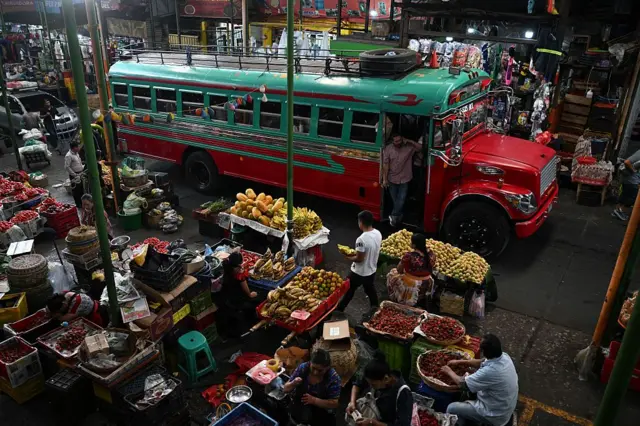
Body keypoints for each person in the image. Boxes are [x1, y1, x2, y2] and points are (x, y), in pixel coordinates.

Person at [442, 334, 518, 426]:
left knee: (451, 408)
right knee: (472, 384)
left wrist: (449, 371)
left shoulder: (490, 371)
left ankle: (460, 423)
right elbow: (481, 362)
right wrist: (459, 362)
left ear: (484, 351)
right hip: (503, 406)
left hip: (494, 414)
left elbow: (463, 384)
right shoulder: (504, 357)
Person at [347, 352, 413, 426]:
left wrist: (373, 423)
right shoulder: (373, 374)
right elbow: (357, 385)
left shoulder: (403, 393)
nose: (370, 386)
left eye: (373, 384)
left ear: (386, 379)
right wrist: (352, 403)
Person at [284, 349, 341, 426]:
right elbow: (285, 389)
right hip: (300, 406)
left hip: (320, 411)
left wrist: (314, 400)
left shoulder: (333, 378)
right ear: (310, 363)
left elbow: (334, 403)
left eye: (320, 370)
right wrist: (293, 383)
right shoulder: (303, 368)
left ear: (328, 367)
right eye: (313, 368)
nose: (315, 372)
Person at [338, 210, 381, 311]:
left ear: (361, 222)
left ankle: (339, 309)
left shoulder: (361, 239)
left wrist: (348, 257)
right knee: (369, 289)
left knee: (349, 289)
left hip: (359, 272)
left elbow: (359, 258)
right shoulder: (377, 233)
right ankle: (375, 306)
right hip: (371, 269)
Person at [382, 134, 422, 226]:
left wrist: (409, 140)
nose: (398, 143)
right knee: (396, 200)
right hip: (392, 179)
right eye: (396, 141)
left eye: (400, 140)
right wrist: (384, 179)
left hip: (404, 178)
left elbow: (420, 148)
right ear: (392, 141)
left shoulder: (408, 148)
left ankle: (393, 216)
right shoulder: (388, 149)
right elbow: (385, 165)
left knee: (401, 199)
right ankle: (398, 216)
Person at [217, 251, 258, 337]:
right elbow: (248, 293)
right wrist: (252, 294)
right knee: (257, 299)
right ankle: (251, 322)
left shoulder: (226, 268)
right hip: (237, 301)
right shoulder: (239, 275)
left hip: (226, 298)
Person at [613, 149, 640, 221]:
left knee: (625, 193)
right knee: (631, 195)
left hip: (630, 177)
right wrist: (633, 170)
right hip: (630, 177)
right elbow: (627, 162)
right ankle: (621, 211)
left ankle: (617, 210)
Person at [65, 141, 84, 207]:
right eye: (77, 147)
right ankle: (78, 204)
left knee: (81, 189)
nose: (79, 148)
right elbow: (67, 167)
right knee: (76, 190)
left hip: (80, 173)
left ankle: (82, 203)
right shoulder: (68, 155)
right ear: (74, 148)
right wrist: (74, 175)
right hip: (75, 175)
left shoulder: (76, 153)